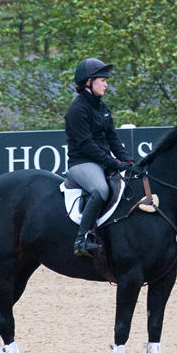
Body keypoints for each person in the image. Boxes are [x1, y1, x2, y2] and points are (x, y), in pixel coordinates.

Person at [65, 57, 133, 256]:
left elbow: (112, 138)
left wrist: (128, 160)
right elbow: (86, 145)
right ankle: (82, 239)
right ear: (89, 81)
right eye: (102, 80)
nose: (106, 84)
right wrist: (112, 162)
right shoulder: (77, 109)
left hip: (100, 160)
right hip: (82, 162)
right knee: (101, 189)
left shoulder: (101, 107)